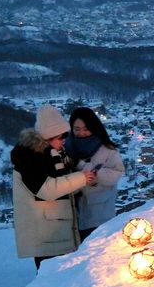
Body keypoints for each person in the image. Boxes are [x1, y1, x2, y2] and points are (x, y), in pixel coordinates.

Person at [11, 105, 96, 270]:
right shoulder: (30, 156)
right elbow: (46, 190)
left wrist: (82, 183)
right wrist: (81, 178)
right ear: (48, 137)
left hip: (56, 231)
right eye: (61, 136)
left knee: (60, 280)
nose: (65, 140)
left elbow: (61, 186)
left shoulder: (53, 154)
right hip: (47, 235)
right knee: (51, 282)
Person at [66, 107, 125, 240]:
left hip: (99, 212)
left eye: (86, 129)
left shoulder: (107, 149)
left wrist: (88, 170)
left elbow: (117, 172)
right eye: (77, 129)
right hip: (73, 213)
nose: (81, 133)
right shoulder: (66, 148)